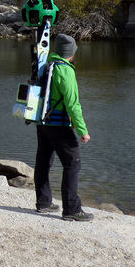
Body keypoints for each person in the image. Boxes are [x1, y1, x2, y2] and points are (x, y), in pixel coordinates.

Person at [34, 33, 93, 221]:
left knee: (43, 161)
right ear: (71, 52)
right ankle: (72, 209)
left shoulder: (47, 64)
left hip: (43, 122)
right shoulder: (65, 70)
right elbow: (72, 104)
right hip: (59, 124)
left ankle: (43, 202)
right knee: (73, 163)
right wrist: (82, 130)